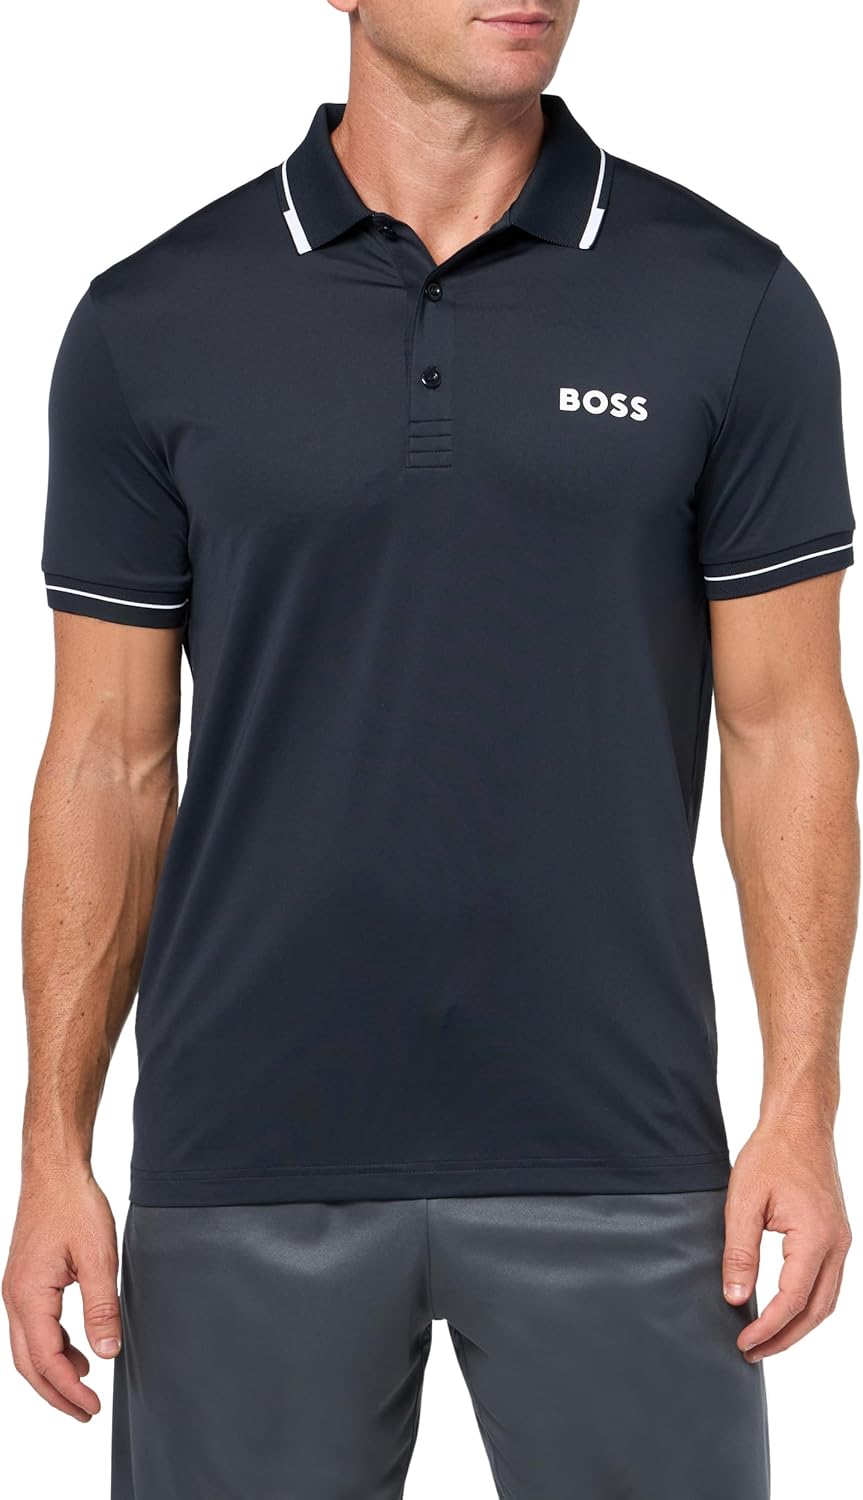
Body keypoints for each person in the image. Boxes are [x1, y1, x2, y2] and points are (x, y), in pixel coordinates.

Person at [3, 2, 858, 1496]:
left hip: (626, 1155)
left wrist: (801, 1108)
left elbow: (788, 728)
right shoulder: (152, 321)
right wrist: (53, 1143)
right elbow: (106, 760)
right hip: (245, 1157)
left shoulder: (731, 300)